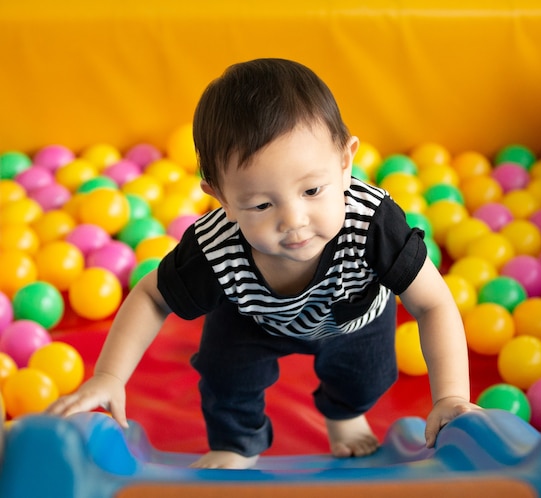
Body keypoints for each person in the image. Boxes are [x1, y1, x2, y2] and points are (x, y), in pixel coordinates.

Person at [47, 58, 479, 469]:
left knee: (365, 375)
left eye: (312, 191)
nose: (293, 220)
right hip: (253, 318)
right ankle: (237, 442)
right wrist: (108, 376)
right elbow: (150, 297)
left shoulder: (372, 224)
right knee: (223, 373)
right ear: (221, 198)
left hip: (354, 317)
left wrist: (451, 396)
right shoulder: (215, 247)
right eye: (260, 204)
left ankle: (344, 415)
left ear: (345, 164)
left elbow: (433, 304)